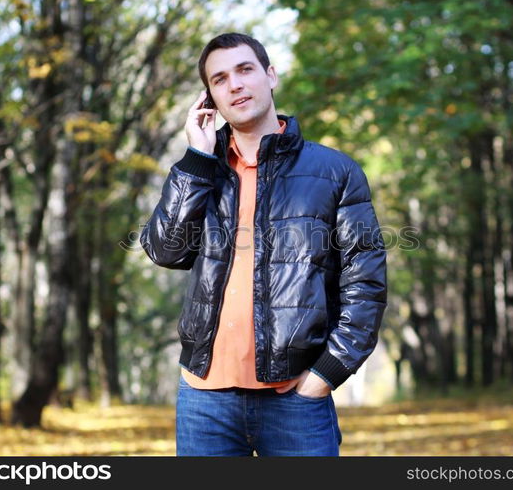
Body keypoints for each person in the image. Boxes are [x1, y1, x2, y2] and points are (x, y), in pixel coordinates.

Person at [140, 32, 387, 456]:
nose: (234, 84)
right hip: (205, 399)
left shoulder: (335, 171)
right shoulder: (199, 169)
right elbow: (166, 251)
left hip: (296, 399)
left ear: (270, 76)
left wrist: (325, 375)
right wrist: (196, 159)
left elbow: (364, 284)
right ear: (209, 99)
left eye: (245, 69)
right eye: (219, 79)